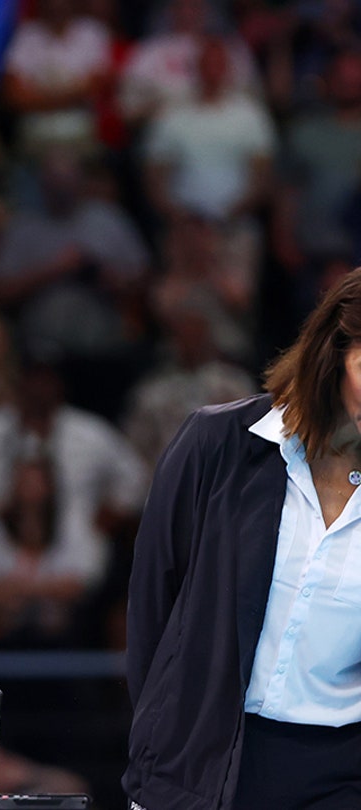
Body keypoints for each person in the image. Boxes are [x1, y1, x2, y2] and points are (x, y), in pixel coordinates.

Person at [126, 266, 361, 809]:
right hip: (197, 757)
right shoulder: (217, 443)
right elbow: (153, 606)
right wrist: (160, 734)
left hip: (341, 775)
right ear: (332, 353)